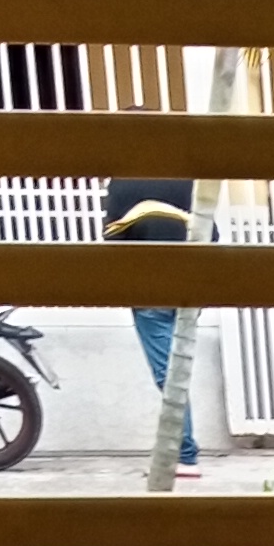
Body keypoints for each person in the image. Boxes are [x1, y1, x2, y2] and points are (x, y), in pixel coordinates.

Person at [102, 175, 199, 467]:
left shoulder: (122, 184)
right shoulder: (184, 180)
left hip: (149, 295)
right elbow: (209, 231)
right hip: (188, 290)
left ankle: (183, 452)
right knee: (176, 369)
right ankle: (183, 449)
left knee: (167, 374)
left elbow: (113, 240)